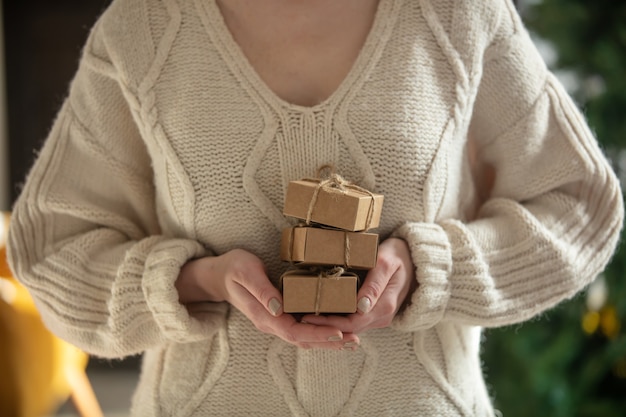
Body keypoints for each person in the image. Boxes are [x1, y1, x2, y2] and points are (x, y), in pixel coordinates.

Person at [7, 0, 623, 415]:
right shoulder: (143, 27)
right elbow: (51, 247)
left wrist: (428, 269)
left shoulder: (457, 14)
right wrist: (193, 281)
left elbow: (580, 204)